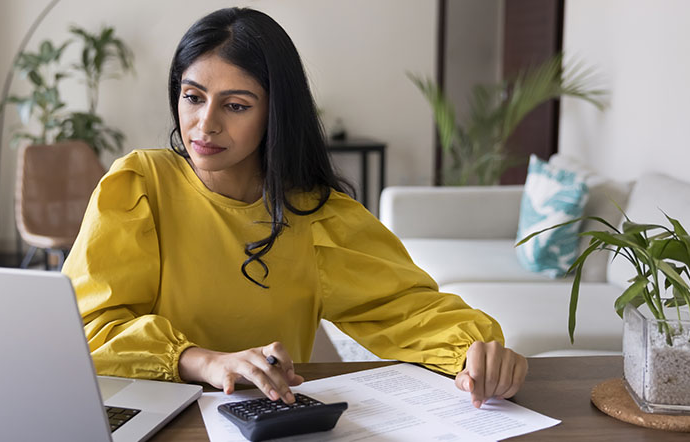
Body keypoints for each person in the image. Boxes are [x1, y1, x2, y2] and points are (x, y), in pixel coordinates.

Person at [62, 7, 527, 409]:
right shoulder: (139, 185)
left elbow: (407, 309)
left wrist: (476, 354)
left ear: (275, 112)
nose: (205, 125)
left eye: (236, 105)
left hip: (267, 420)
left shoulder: (318, 220)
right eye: (193, 97)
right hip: (150, 415)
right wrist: (206, 361)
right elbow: (86, 330)